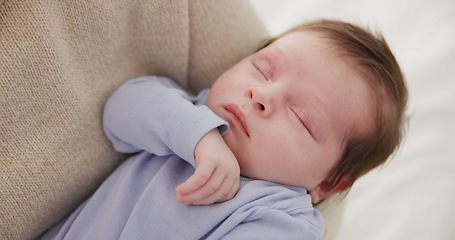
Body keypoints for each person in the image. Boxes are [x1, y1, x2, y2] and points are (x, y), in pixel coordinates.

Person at [41, 19, 408, 239]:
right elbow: (119, 111)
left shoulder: (283, 219)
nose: (261, 94)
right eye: (263, 69)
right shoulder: (187, 109)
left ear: (327, 184)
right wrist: (198, 136)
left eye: (301, 116)